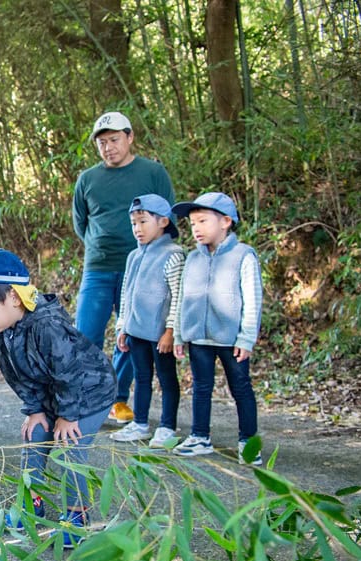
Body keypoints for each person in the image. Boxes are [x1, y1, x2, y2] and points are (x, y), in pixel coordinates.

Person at [0, 249, 116, 547]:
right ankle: (30, 503)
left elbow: (69, 373)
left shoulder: (47, 326)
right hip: (54, 393)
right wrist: (35, 409)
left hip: (89, 392)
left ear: (12, 296)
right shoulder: (1, 329)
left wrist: (67, 416)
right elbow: (16, 375)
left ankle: (77, 517)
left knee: (69, 446)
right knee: (35, 434)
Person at [73, 112, 175, 425]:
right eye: (102, 143)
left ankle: (117, 400)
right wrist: (98, 242)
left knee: (131, 333)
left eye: (114, 140)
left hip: (143, 267)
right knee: (84, 336)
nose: (108, 147)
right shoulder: (88, 179)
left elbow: (166, 214)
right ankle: (84, 400)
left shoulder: (153, 172)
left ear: (129, 137)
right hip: (99, 266)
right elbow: (81, 222)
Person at [170, 193, 264, 465]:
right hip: (198, 337)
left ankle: (249, 441)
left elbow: (252, 299)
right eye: (192, 223)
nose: (196, 228)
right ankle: (200, 436)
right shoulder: (192, 259)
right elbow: (182, 299)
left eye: (202, 221)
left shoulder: (243, 255)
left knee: (241, 388)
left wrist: (246, 338)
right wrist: (179, 333)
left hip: (231, 339)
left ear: (225, 221)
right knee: (201, 387)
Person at [111, 195, 184, 448]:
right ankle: (140, 423)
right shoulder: (133, 256)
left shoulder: (173, 255)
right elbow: (126, 294)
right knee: (141, 377)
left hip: (160, 333)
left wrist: (170, 330)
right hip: (136, 331)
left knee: (166, 378)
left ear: (163, 221)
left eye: (143, 222)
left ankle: (167, 427)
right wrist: (122, 327)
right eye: (133, 223)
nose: (137, 229)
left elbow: (178, 295)